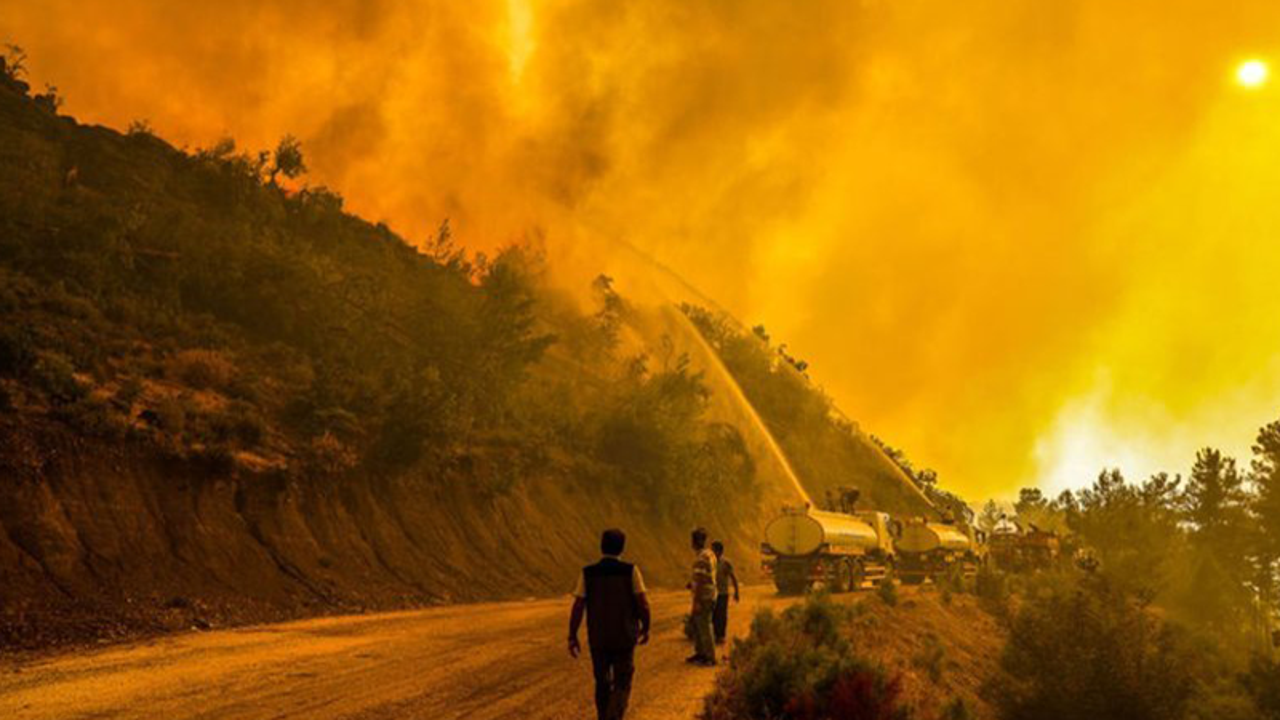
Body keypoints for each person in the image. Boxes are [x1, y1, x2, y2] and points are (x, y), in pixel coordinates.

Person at [569, 529, 651, 720]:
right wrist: (646, 627)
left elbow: (578, 605)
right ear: (622, 548)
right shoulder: (631, 571)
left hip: (598, 638)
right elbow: (643, 603)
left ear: (601, 546)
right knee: (622, 681)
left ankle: (603, 716)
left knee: (601, 682)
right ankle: (614, 716)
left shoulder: (588, 573)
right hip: (624, 636)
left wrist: (572, 635)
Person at [686, 527, 718, 666]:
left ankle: (709, 657)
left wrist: (696, 601)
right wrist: (691, 583)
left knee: (704, 626)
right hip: (710, 594)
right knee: (699, 625)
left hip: (703, 596)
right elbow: (705, 575)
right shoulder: (710, 554)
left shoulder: (701, 557)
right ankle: (701, 654)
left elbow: (700, 580)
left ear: (695, 541)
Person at [710, 540, 739, 644]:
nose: (711, 552)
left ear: (719, 551)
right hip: (712, 594)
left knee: (721, 615)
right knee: (713, 615)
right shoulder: (710, 563)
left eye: (713, 550)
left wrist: (737, 592)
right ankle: (715, 635)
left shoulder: (726, 563)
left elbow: (733, 577)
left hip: (723, 594)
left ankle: (721, 636)